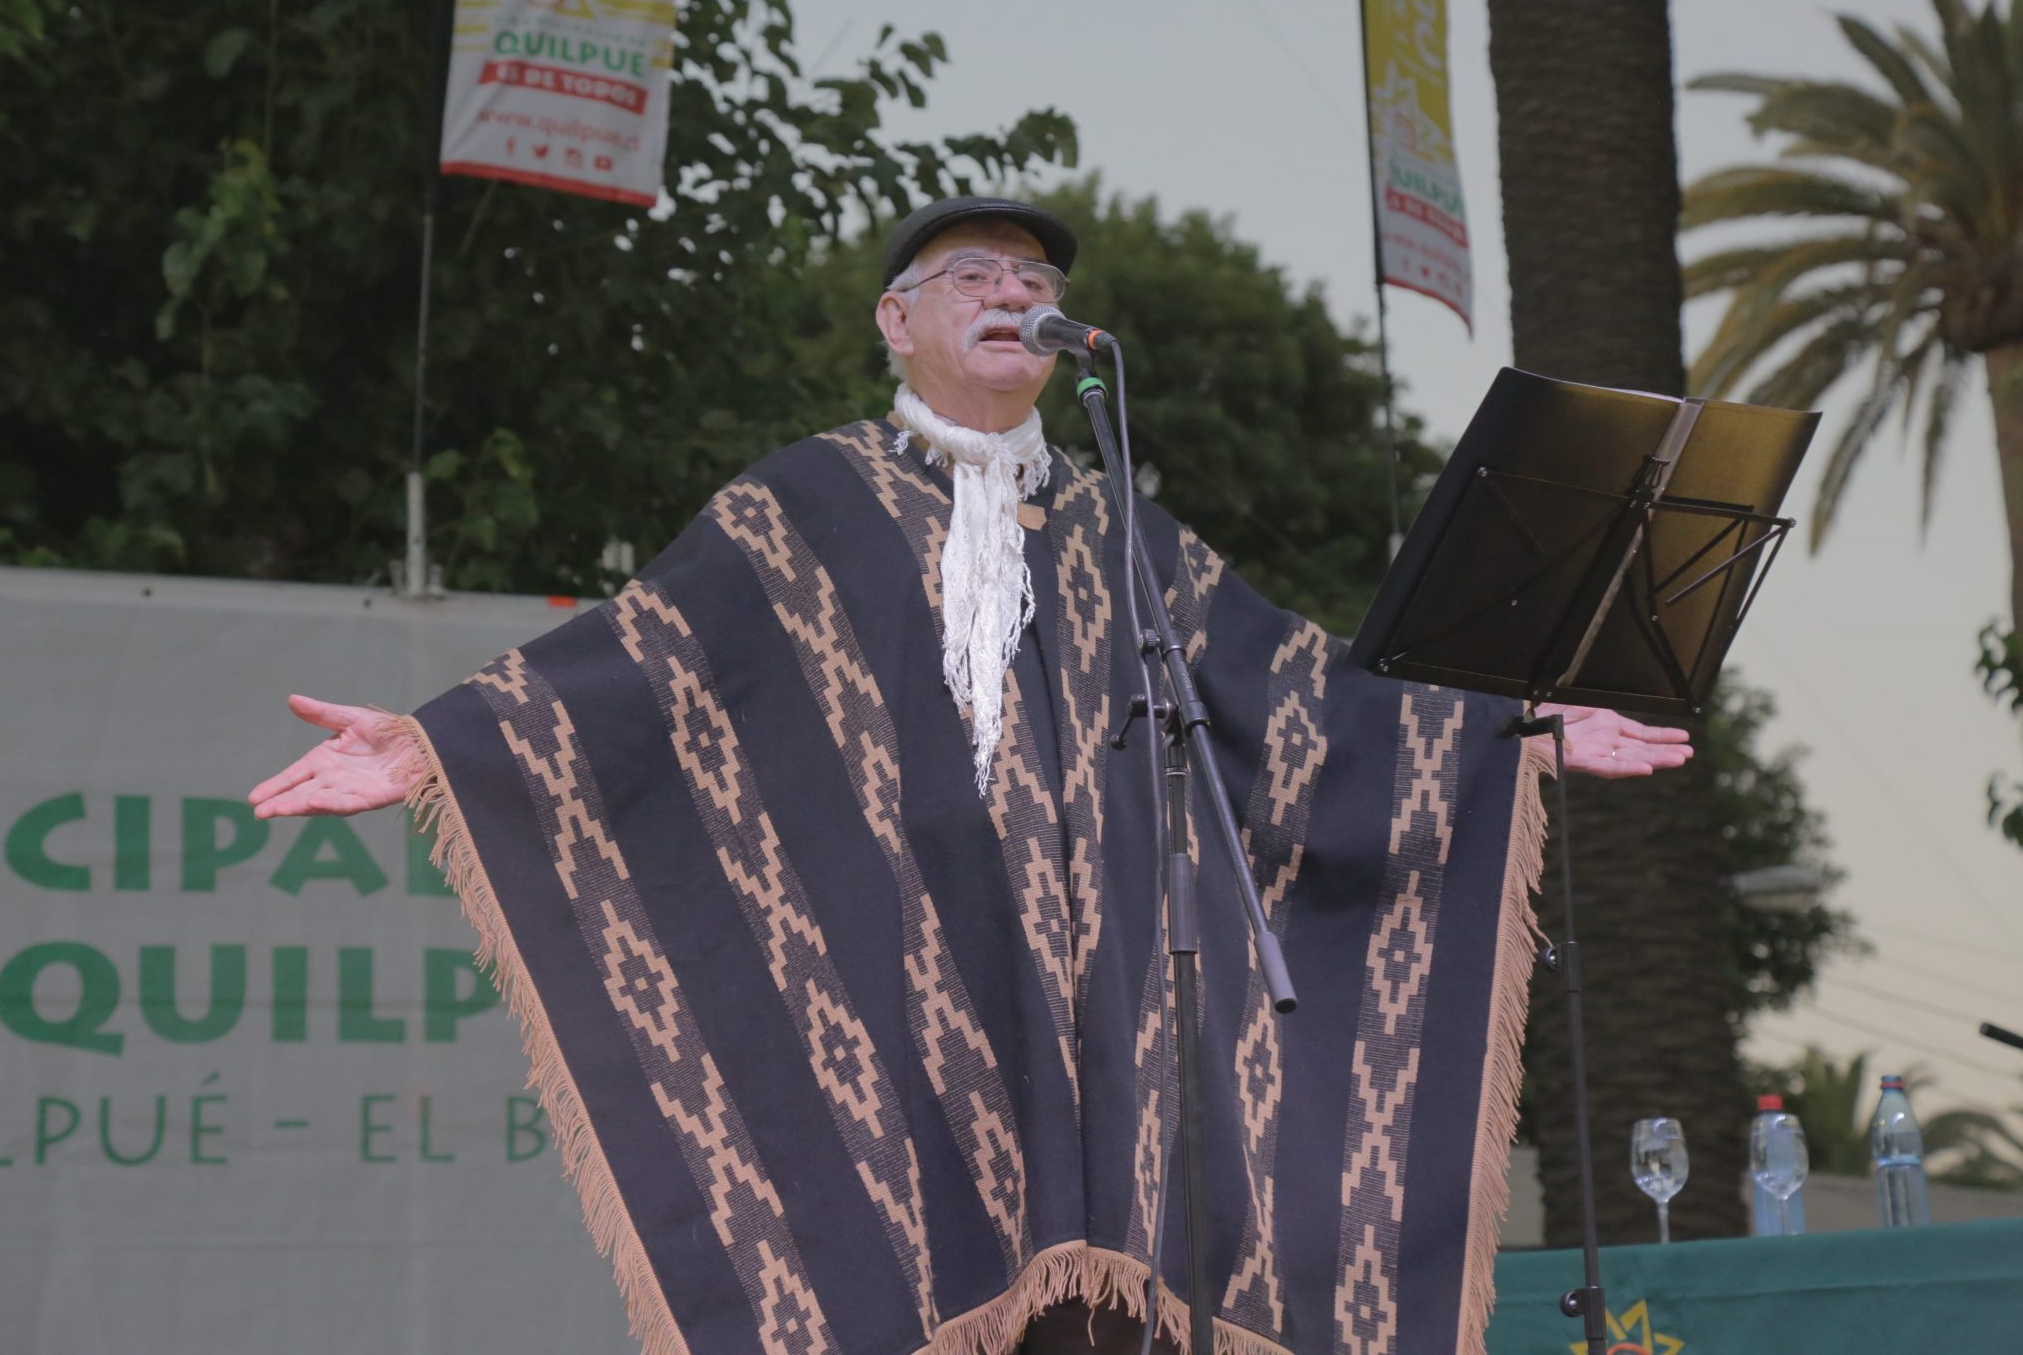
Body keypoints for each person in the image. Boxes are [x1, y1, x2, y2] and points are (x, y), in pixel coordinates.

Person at [251, 197, 1687, 1355]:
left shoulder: (1122, 529)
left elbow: (1299, 697)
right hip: (896, 1006)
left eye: (1033, 278)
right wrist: (436, 740)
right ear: (899, 319)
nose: (1011, 293)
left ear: (1067, 336)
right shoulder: (804, 505)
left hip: (1120, 1026)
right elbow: (641, 670)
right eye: (971, 274)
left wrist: (1520, 737)